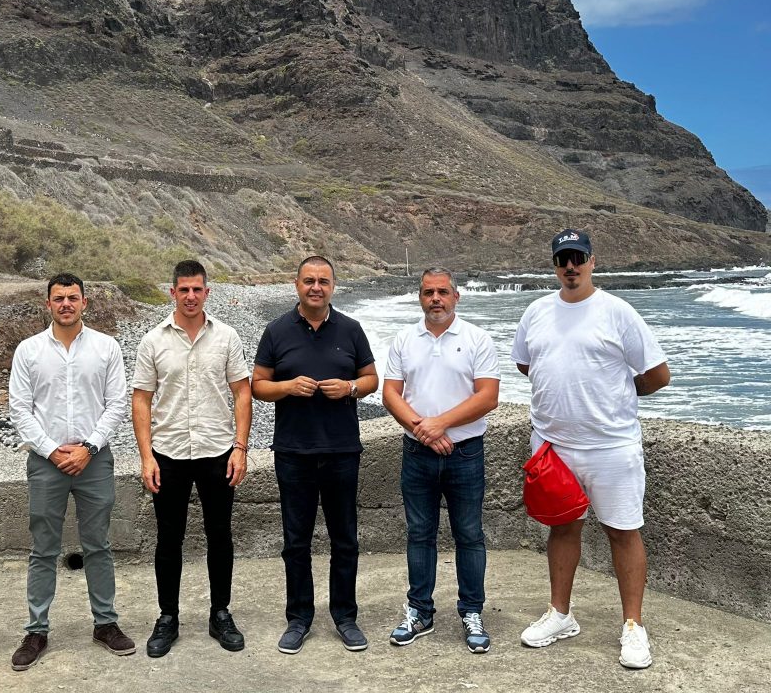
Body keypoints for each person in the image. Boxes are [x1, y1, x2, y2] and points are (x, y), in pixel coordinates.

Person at [511, 228, 670, 669]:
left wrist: (617, 393)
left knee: (623, 530)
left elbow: (657, 375)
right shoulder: (536, 312)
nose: (571, 266)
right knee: (562, 528)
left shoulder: (617, 312)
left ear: (592, 261)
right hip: (552, 447)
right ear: (554, 264)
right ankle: (560, 614)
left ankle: (634, 627)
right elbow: (528, 363)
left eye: (578, 257)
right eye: (563, 259)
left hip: (611, 446)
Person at [252, 255, 378, 654]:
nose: (316, 287)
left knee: (345, 540)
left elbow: (372, 378)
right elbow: (257, 386)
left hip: (342, 451)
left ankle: (345, 616)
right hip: (293, 452)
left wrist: (351, 388)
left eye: (323, 281)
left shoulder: (352, 329)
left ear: (333, 286)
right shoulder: (276, 331)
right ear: (297, 284)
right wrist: (287, 387)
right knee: (296, 541)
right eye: (309, 280)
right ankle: (299, 618)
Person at [8, 273, 134, 670]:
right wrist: (50, 450)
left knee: (98, 544)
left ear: (84, 303)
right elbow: (19, 408)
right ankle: (37, 630)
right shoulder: (28, 350)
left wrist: (88, 447)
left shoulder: (106, 347)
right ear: (48, 303)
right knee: (42, 548)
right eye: (59, 298)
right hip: (46, 464)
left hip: (94, 460)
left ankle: (106, 624)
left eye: (73, 297)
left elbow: (117, 403)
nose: (66, 303)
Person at [131, 260, 252, 658]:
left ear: (207, 292)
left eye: (197, 289)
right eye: (183, 289)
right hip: (169, 454)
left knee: (220, 535)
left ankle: (221, 613)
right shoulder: (153, 341)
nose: (190, 296)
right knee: (169, 539)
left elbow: (241, 393)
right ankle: (168, 617)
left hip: (218, 452)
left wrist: (240, 447)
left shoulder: (227, 337)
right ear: (172, 292)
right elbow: (142, 400)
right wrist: (146, 456)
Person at [382, 267, 500, 653]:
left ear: (456, 297)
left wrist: (440, 425)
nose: (436, 299)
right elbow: (391, 394)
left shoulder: (477, 338)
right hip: (417, 452)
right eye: (429, 292)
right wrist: (423, 430)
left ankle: (471, 612)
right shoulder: (404, 339)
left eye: (443, 292)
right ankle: (419, 611)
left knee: (469, 534)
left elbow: (488, 396)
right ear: (420, 297)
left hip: (465, 452)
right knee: (419, 533)